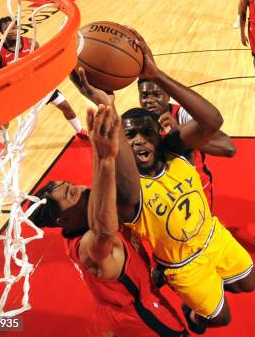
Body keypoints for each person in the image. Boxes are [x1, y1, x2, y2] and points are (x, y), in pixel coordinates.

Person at [69, 29, 255, 334]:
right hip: (183, 265)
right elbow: (122, 167)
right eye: (130, 135)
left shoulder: (173, 152)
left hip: (213, 236)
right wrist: (108, 107)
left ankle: (205, 293)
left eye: (147, 132)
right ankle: (194, 313)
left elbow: (214, 122)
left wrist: (156, 74)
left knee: (248, 284)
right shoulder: (130, 195)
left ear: (160, 135)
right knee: (221, 319)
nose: (139, 140)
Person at [31, 104, 187, 336]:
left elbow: (122, 192)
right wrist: (103, 158)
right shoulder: (90, 246)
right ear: (63, 220)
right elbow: (103, 232)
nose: (82, 188)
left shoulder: (83, 217)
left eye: (72, 185)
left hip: (114, 308)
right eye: (71, 193)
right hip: (141, 315)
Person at [0, 16, 87, 157]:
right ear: (0, 32)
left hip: (35, 86)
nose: (12, 31)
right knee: (3, 119)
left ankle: (79, 130)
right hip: (13, 90)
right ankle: (0, 142)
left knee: (65, 106)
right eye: (7, 29)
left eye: (14, 27)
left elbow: (42, 63)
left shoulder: (31, 43)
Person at [138, 78, 236, 204]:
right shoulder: (137, 122)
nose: (150, 101)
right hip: (164, 192)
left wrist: (181, 134)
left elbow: (228, 148)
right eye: (144, 96)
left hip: (195, 186)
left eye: (157, 95)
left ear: (168, 96)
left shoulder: (182, 115)